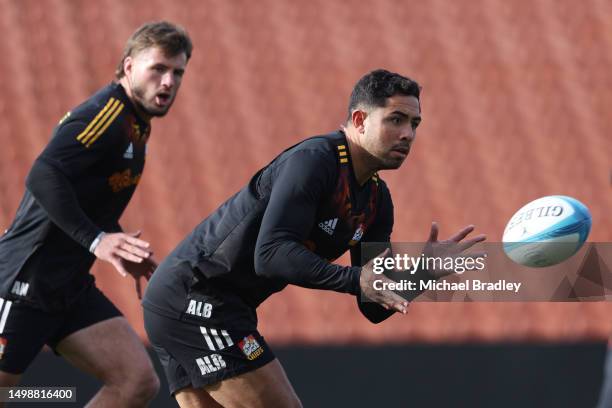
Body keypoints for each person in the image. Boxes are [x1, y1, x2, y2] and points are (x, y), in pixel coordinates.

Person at [142, 69, 486, 407]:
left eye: (415, 124)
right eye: (396, 119)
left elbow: (372, 306)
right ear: (360, 119)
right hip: (197, 297)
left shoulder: (378, 202)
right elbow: (271, 254)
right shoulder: (316, 161)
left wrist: (420, 275)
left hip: (209, 305)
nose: (408, 134)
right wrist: (356, 280)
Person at [0, 21, 192, 407]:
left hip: (67, 286)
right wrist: (98, 240)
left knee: (135, 380)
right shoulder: (106, 115)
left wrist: (116, 244)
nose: (168, 81)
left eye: (177, 73)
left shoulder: (136, 125)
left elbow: (87, 195)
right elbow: (44, 173)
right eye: (158, 69)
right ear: (127, 68)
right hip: (26, 280)